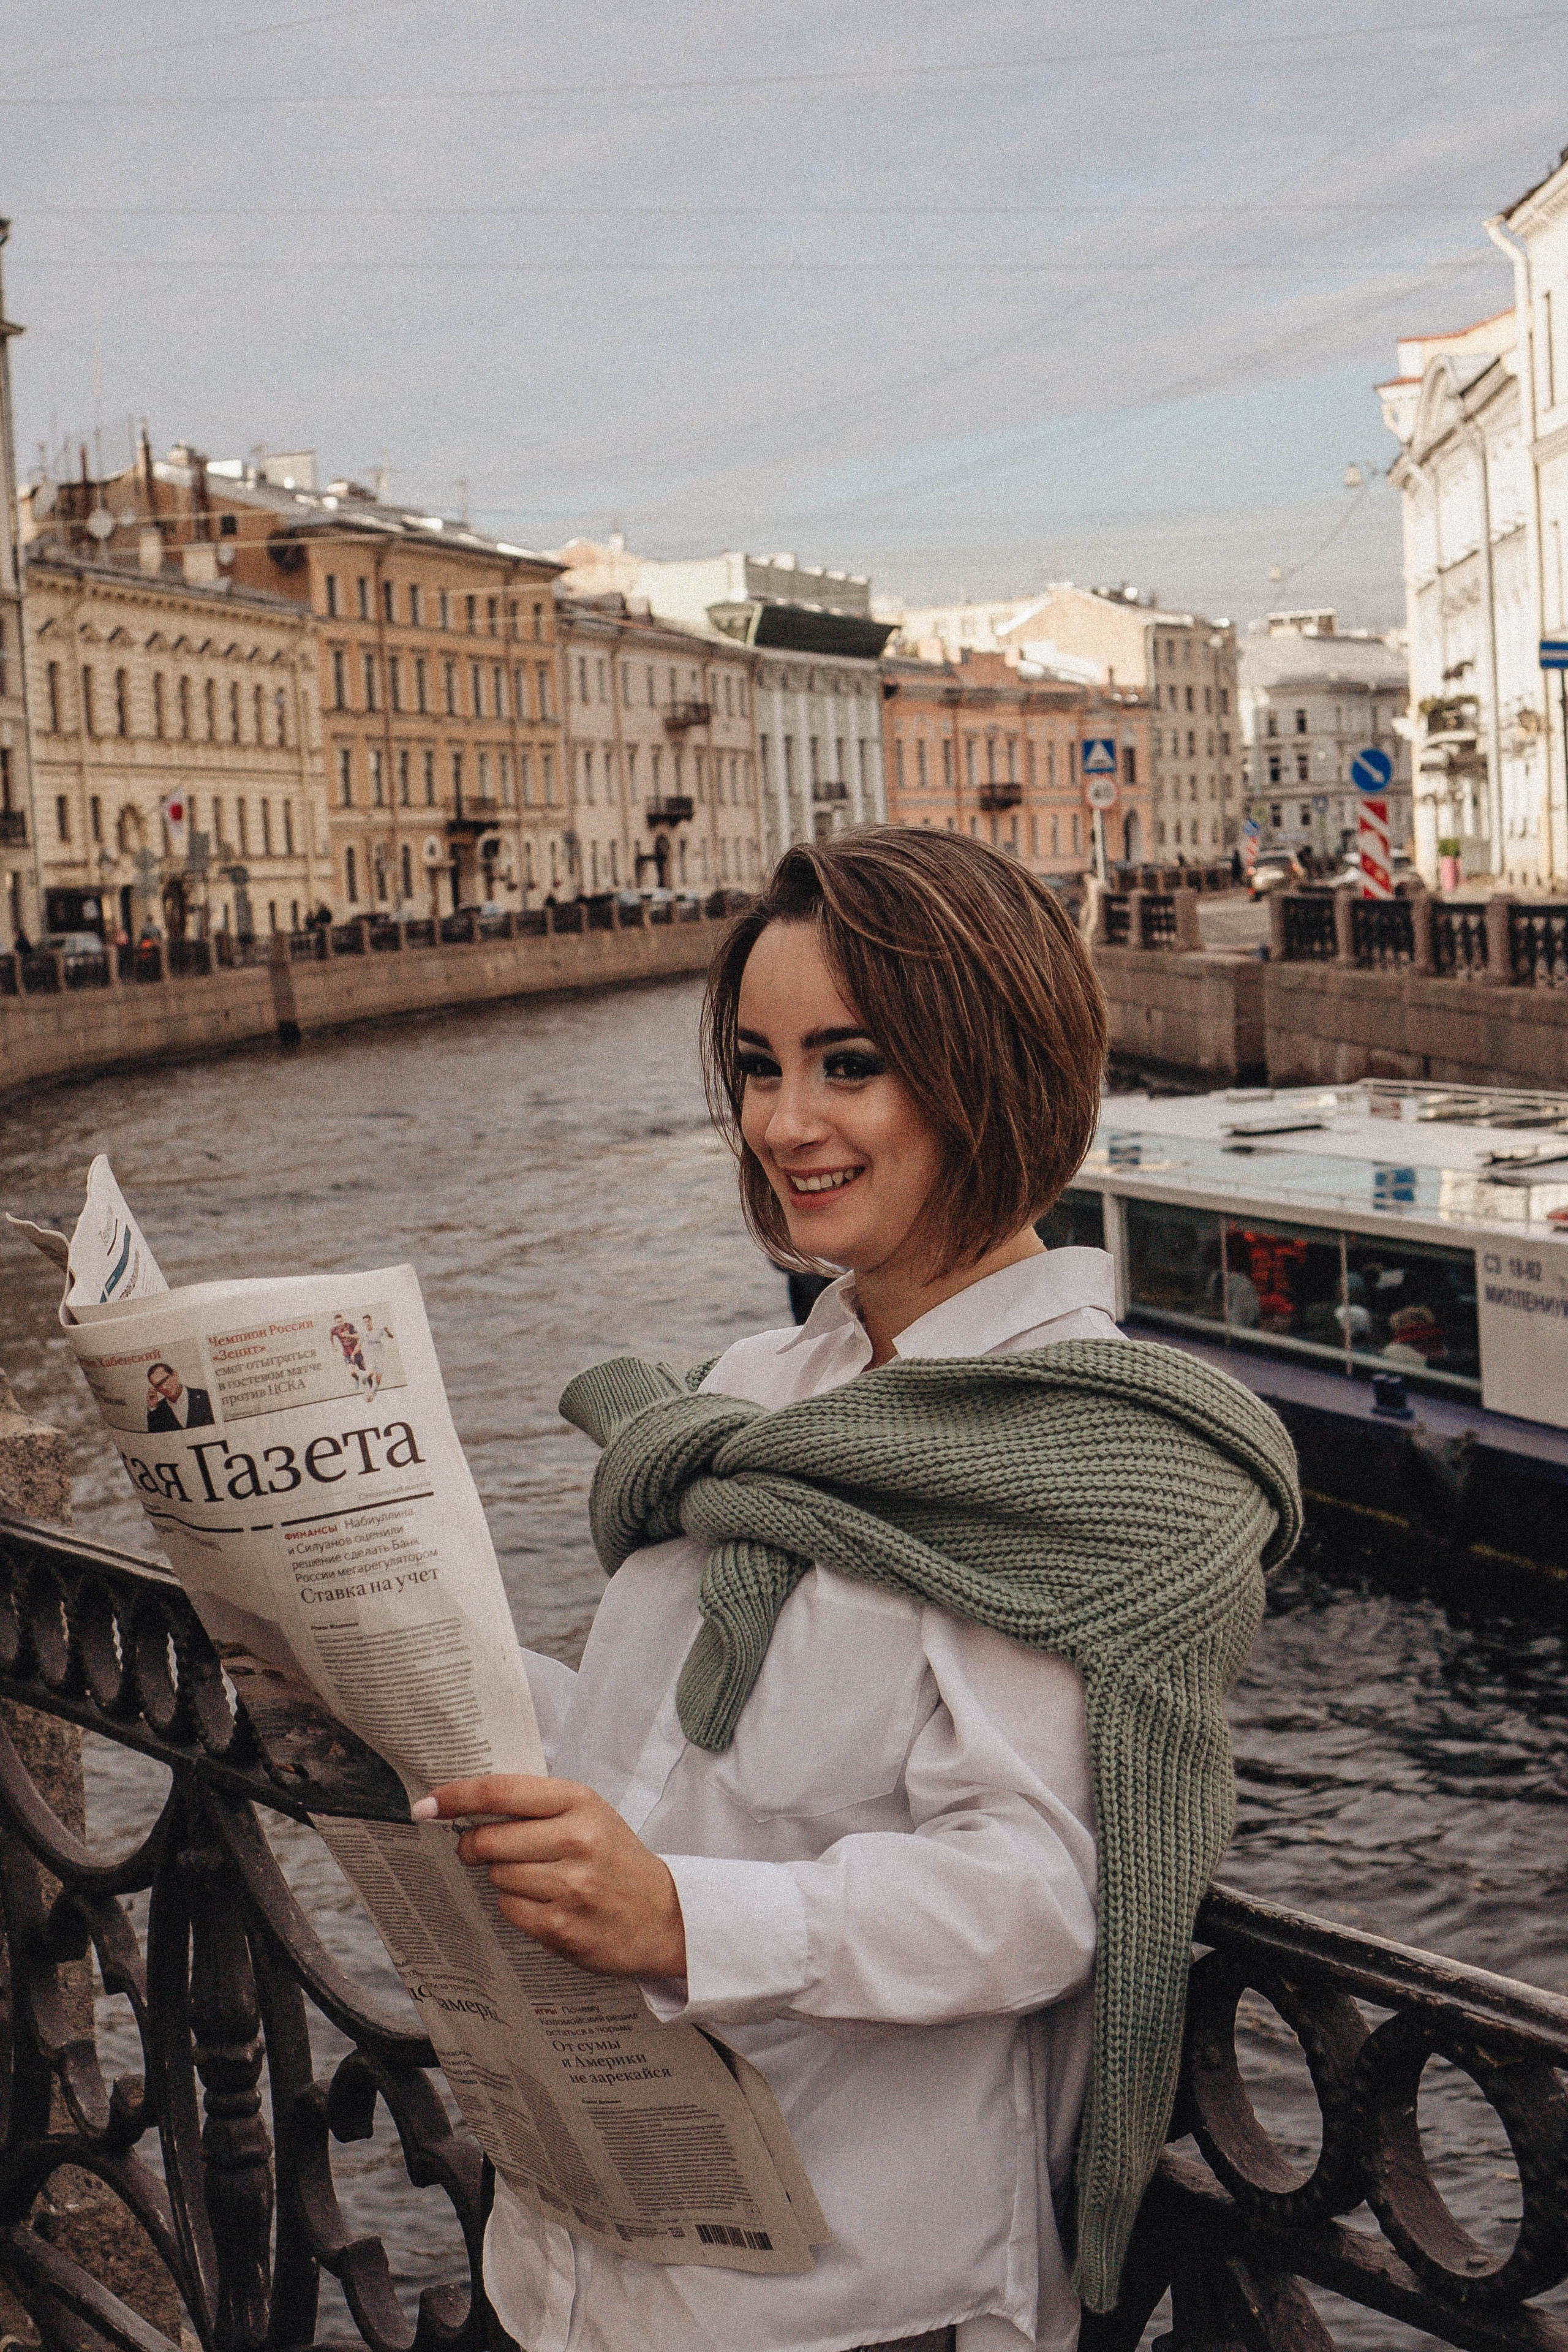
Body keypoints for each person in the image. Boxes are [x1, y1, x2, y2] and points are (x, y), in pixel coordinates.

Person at [418, 830, 1300, 2352]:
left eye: (850, 1062)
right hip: (569, 2254)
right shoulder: (752, 1395)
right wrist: (403, 1667)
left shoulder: (1072, 1454)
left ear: (989, 1069)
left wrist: (684, 1917)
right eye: (757, 1066)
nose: (782, 1119)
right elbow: (655, 1756)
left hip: (838, 2297)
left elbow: (1039, 1889)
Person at [145, 1360, 213, 1431]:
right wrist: (153, 1407)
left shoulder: (205, 1396)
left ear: (175, 1374)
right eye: (158, 1385)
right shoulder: (158, 1410)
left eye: (165, 1380)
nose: (164, 1387)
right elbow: (156, 1437)